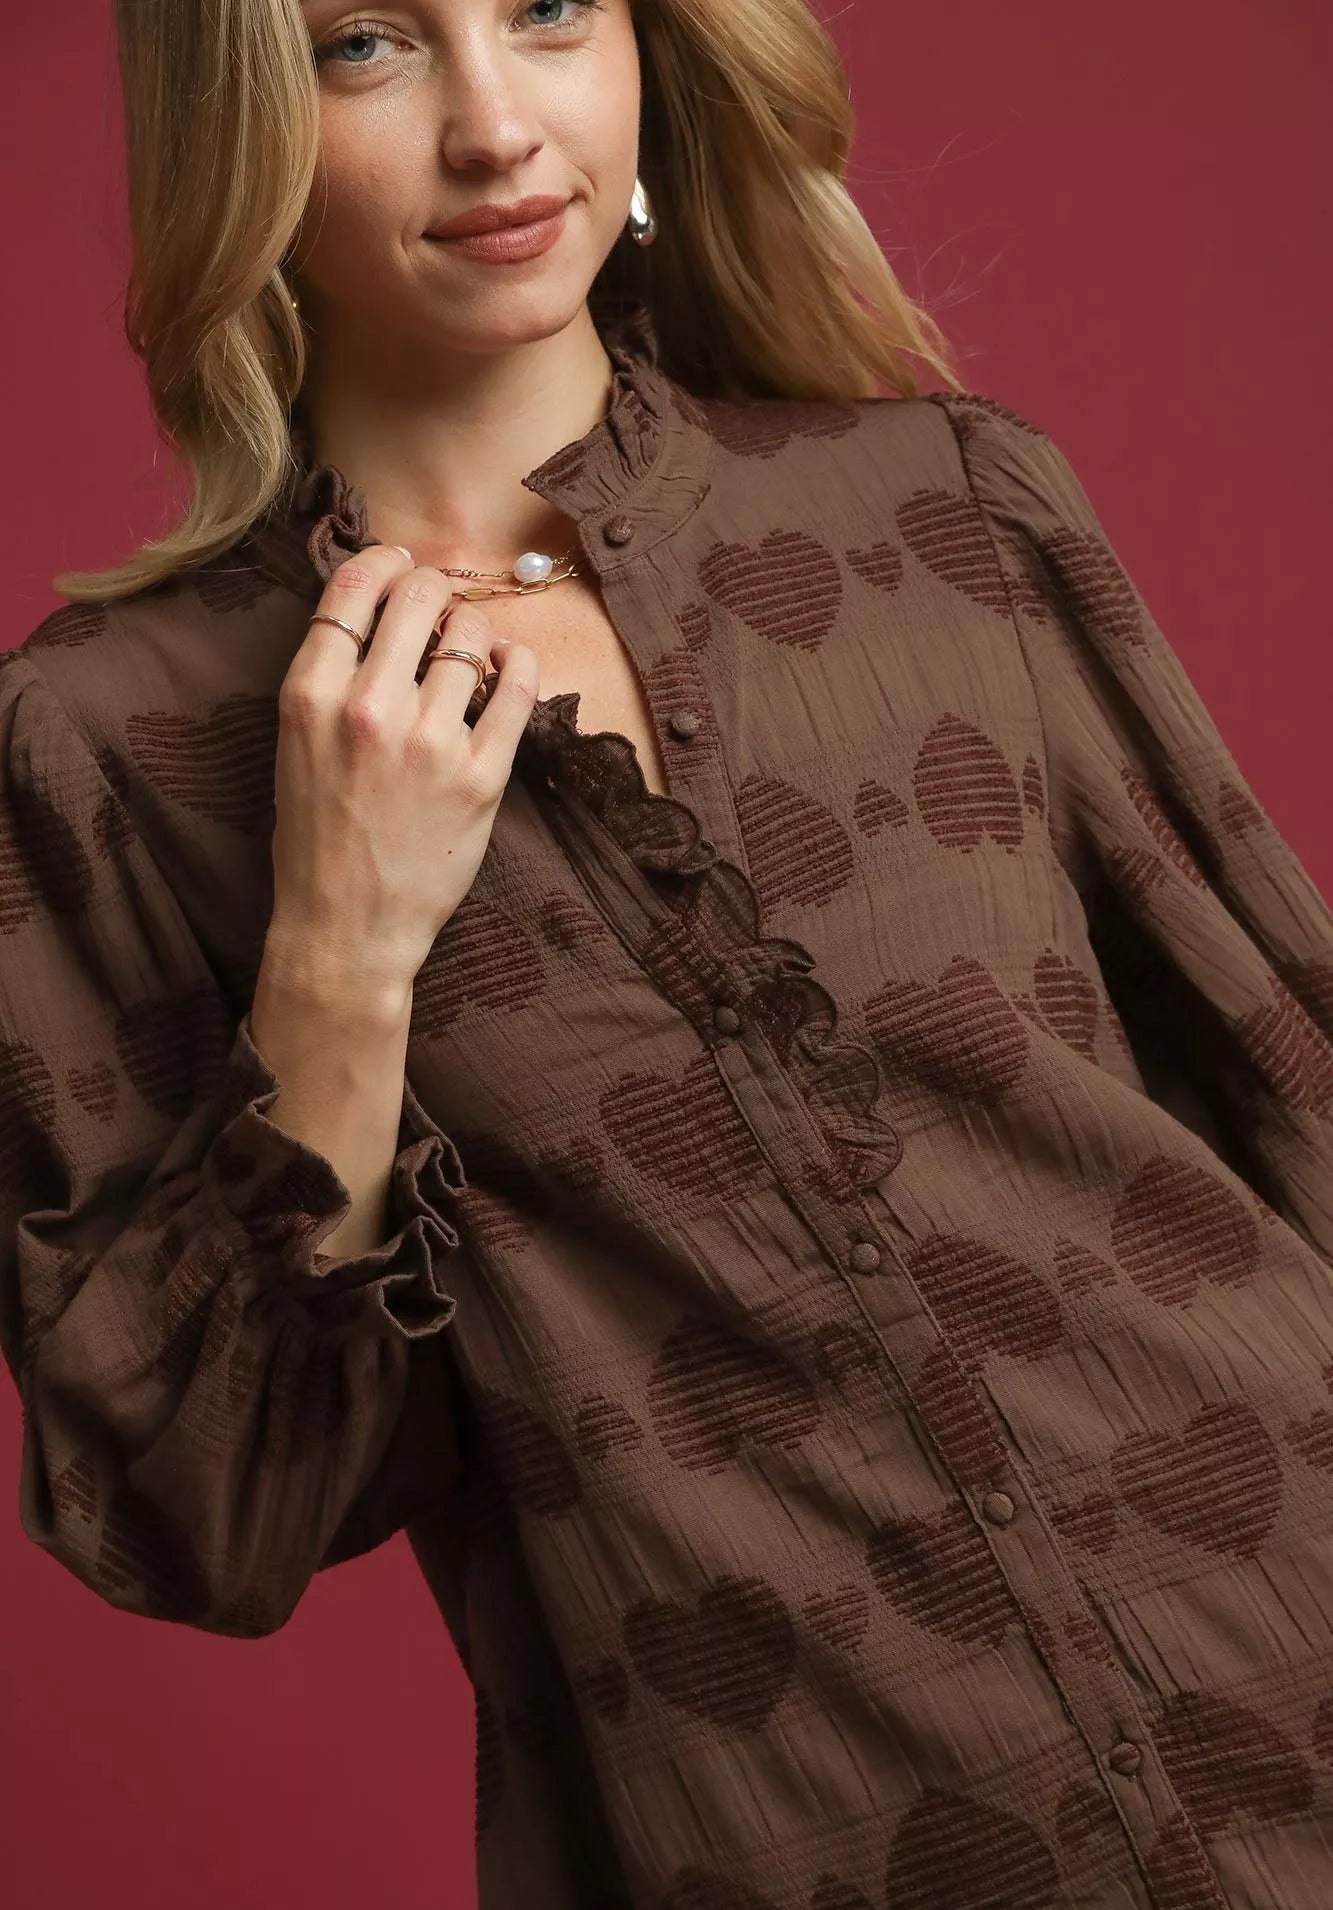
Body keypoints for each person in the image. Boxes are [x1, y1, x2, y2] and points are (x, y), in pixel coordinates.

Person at [4, 1, 1333, 1904]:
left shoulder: (947, 507)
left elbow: (1290, 1079)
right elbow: (206, 1510)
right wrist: (343, 953)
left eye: (548, 9)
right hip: (791, 1826)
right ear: (241, 128)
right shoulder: (116, 744)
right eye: (368, 44)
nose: (493, 125)